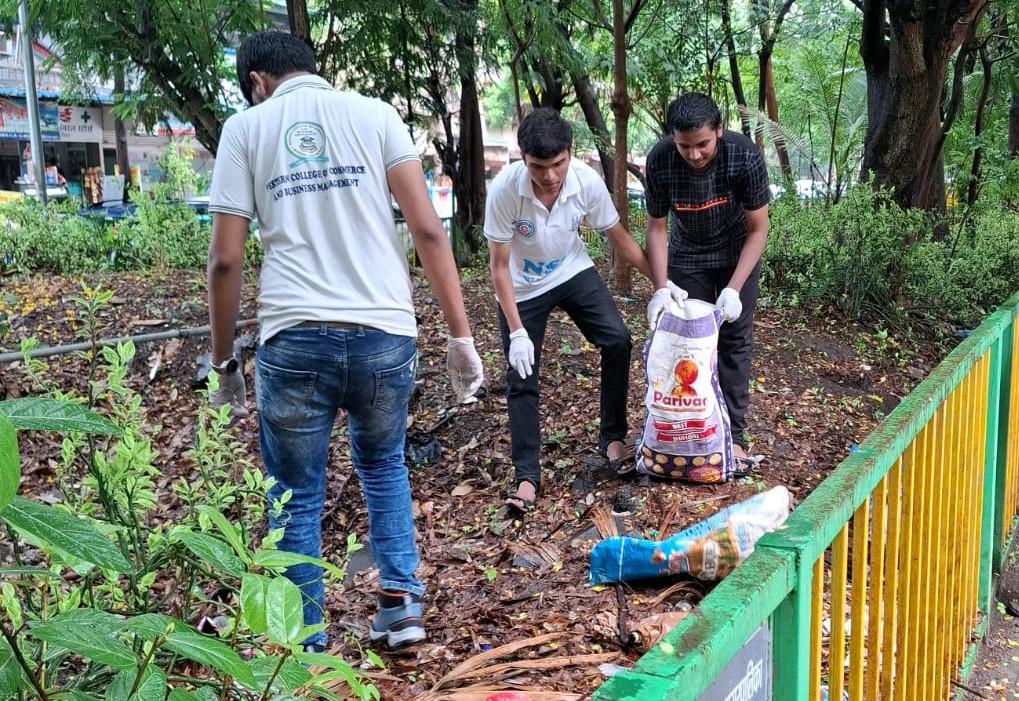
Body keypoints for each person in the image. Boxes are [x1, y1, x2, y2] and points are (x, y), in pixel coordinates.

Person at [206, 30, 483, 650]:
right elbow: (428, 231)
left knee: (295, 493)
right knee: (384, 465)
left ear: (256, 82)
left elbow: (225, 260)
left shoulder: (245, 130)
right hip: (384, 332)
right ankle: (402, 607)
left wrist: (224, 363)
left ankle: (304, 641)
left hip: (294, 335)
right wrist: (461, 337)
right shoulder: (375, 114)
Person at [485, 108, 669, 513]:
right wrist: (516, 331)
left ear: (570, 153)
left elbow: (619, 238)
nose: (550, 176)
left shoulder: (585, 182)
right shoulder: (505, 191)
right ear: (522, 159)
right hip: (521, 286)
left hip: (571, 269)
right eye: (538, 167)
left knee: (617, 340)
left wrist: (662, 284)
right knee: (521, 375)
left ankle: (613, 438)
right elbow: (498, 267)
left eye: (558, 164)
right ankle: (527, 476)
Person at [644, 92, 770, 468]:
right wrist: (661, 287)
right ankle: (691, 430)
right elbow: (656, 228)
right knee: (689, 344)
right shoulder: (660, 160)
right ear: (672, 138)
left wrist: (734, 288)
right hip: (688, 256)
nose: (694, 154)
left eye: (702, 144)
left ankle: (734, 436)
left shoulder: (743, 155)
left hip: (737, 252)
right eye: (685, 146)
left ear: (719, 129)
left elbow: (759, 229)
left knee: (734, 341)